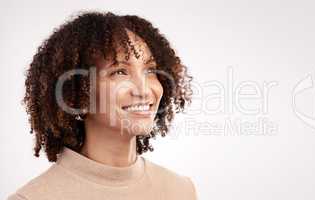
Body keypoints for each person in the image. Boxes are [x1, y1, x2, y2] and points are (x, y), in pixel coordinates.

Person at [7, 11, 196, 200]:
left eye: (150, 70)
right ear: (76, 92)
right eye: (120, 72)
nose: (144, 90)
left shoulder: (181, 191)